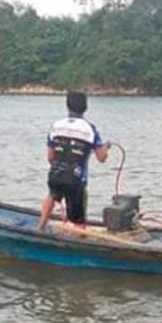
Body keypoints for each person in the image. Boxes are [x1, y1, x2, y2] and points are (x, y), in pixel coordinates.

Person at [37, 91, 111, 231]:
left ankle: (40, 227)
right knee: (79, 217)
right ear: (85, 107)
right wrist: (106, 147)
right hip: (76, 180)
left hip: (55, 174)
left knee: (52, 195)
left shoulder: (56, 126)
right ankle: (81, 237)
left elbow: (50, 157)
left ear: (67, 106)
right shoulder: (90, 129)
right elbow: (102, 158)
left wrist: (60, 166)